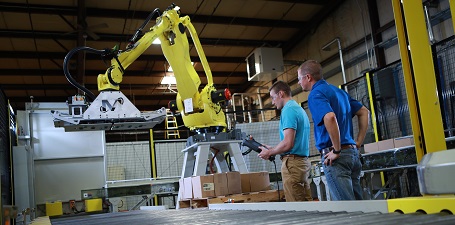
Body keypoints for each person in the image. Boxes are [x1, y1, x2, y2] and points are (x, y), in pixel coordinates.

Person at [297, 60, 369, 201]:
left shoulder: (316, 94)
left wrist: (336, 150)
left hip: (337, 158)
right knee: (360, 207)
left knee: (347, 211)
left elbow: (330, 117)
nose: (299, 83)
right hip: (352, 155)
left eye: (299, 79)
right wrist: (358, 142)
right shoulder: (339, 92)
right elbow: (364, 111)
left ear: (308, 77)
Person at [258, 80, 312, 202]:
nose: (272, 102)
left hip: (292, 165)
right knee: (306, 204)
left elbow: (288, 143)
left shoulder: (288, 111)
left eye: (273, 97)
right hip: (301, 163)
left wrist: (270, 153)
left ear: (281, 94)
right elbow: (292, 142)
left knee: (297, 207)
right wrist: (272, 149)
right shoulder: (298, 108)